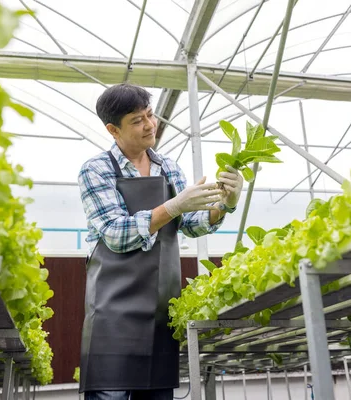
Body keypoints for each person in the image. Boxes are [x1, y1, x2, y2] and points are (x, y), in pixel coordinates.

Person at [77, 83, 244, 400]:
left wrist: (224, 203)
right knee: (108, 395)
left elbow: (191, 226)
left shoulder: (169, 167)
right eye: (137, 120)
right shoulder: (96, 169)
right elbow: (115, 232)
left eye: (150, 115)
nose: (150, 125)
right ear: (113, 129)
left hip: (159, 312)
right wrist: (174, 205)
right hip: (113, 313)